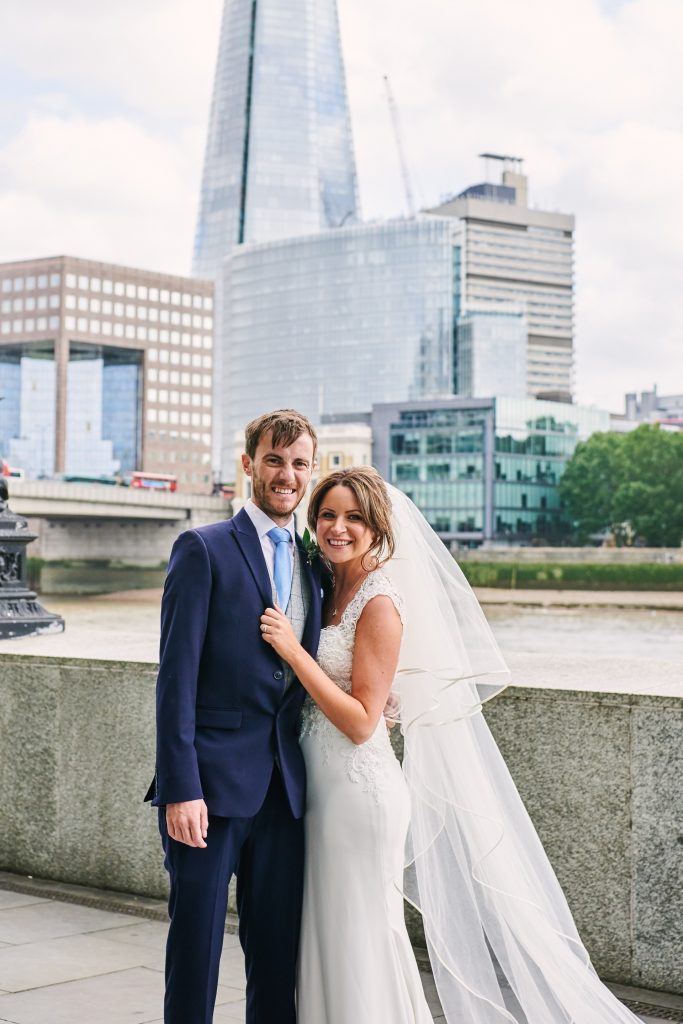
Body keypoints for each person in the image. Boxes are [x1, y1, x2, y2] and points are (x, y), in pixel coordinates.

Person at [261, 466, 644, 1024]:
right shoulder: (325, 583)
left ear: (378, 527)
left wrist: (296, 654)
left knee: (361, 933)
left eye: (353, 518)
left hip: (358, 793)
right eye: (327, 515)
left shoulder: (380, 602)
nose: (337, 527)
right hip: (319, 789)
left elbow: (365, 721)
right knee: (328, 932)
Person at [145, 408, 323, 1024]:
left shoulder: (313, 561)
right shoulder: (203, 549)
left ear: (311, 471)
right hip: (209, 790)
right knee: (194, 950)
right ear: (248, 465)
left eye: (299, 463)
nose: (287, 475)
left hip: (286, 792)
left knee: (275, 957)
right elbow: (175, 679)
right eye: (274, 460)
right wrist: (180, 788)